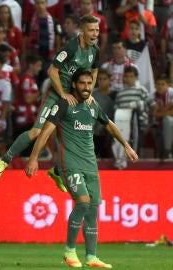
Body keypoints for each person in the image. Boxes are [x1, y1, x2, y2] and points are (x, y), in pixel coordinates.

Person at [25, 69, 138, 268]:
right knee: (83, 202)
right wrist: (34, 158)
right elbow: (45, 132)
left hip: (90, 164)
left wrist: (126, 145)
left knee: (93, 209)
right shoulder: (64, 105)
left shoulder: (92, 105)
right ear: (75, 85)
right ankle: (69, 251)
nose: (86, 87)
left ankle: (91, 257)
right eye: (82, 83)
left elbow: (109, 124)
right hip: (70, 162)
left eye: (89, 83)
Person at [0, 15, 100, 187]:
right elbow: (52, 71)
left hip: (73, 99)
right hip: (57, 95)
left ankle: (56, 172)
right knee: (37, 132)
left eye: (97, 30)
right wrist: (63, 93)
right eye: (91, 30)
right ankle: (5, 160)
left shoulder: (95, 51)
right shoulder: (71, 47)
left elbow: (94, 71)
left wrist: (89, 92)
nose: (95, 34)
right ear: (82, 30)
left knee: (70, 140)